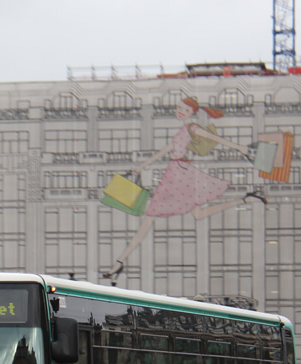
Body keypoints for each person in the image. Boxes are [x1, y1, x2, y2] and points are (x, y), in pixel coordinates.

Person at [103, 97, 265, 280]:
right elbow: (166, 150)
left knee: (150, 218)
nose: (179, 111)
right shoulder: (182, 130)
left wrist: (240, 147)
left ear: (192, 113)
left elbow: (214, 138)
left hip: (178, 176)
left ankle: (119, 262)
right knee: (197, 214)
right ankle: (246, 199)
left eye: (184, 109)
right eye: (178, 108)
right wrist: (142, 166)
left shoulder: (192, 128)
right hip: (176, 174)